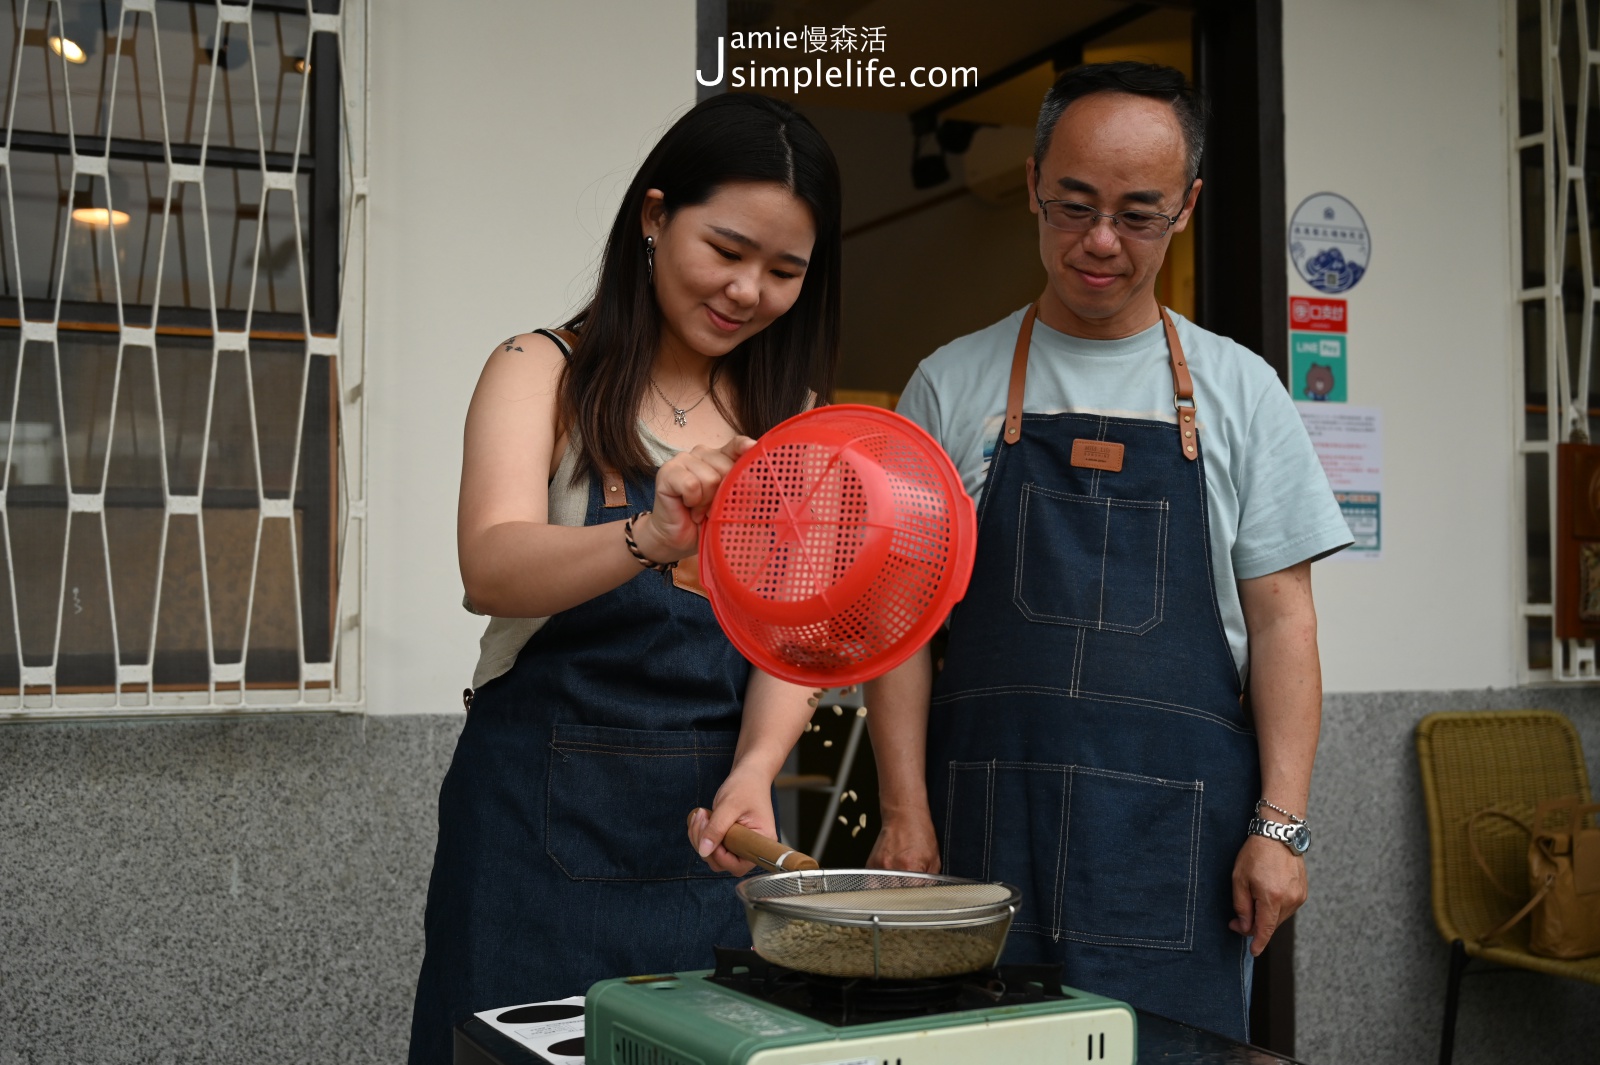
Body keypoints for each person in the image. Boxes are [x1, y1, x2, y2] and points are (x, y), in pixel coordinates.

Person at [863, 62, 1351, 1041]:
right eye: (1072, 206)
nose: (1097, 243)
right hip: (981, 828)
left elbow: (1283, 621)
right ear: (1035, 182)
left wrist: (1280, 827)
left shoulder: (1241, 393)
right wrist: (904, 810)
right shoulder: (948, 386)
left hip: (1179, 848)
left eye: (1136, 215)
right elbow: (899, 626)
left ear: (1187, 208)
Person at [408, 94, 842, 1064]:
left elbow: (793, 635)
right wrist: (648, 535)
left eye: (782, 271)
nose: (746, 290)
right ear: (654, 218)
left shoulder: (793, 418)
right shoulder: (539, 370)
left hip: (702, 835)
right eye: (725, 250)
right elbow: (490, 566)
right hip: (530, 829)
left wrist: (758, 769)